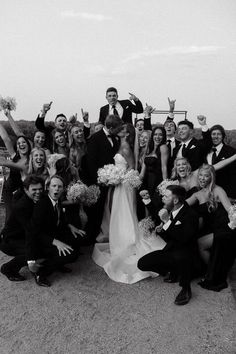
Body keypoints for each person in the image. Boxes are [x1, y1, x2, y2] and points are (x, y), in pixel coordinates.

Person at [92, 123, 166, 284]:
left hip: (124, 185)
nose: (119, 131)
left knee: (124, 212)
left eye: (123, 130)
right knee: (117, 212)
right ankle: (120, 239)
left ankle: (128, 241)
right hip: (119, 185)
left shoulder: (125, 147)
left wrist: (117, 176)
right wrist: (111, 175)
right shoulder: (122, 144)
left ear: (127, 133)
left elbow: (132, 167)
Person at [138, 185, 199, 305]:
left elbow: (184, 239)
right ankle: (174, 272)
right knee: (142, 263)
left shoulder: (191, 215)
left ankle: (186, 289)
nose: (162, 198)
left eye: (166, 196)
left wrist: (167, 222)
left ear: (175, 200)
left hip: (187, 255)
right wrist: (147, 200)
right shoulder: (172, 208)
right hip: (171, 251)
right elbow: (158, 214)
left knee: (182, 256)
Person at [186, 164, 236, 291]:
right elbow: (183, 205)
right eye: (201, 175)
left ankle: (214, 275)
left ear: (211, 177)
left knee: (201, 243)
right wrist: (166, 206)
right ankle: (215, 273)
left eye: (206, 175)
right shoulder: (198, 194)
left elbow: (230, 210)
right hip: (214, 228)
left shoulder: (218, 190)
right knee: (198, 242)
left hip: (225, 228)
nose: (202, 178)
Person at [26, 175, 80, 287]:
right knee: (70, 255)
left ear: (63, 189)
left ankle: (57, 264)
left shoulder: (57, 200)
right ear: (48, 188)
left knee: (77, 242)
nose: (56, 189)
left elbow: (60, 218)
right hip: (41, 242)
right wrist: (31, 260)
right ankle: (40, 273)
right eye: (54, 186)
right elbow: (33, 232)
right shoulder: (42, 204)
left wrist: (70, 226)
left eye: (59, 186)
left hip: (52, 236)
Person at [84, 115, 123, 241]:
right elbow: (91, 162)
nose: (119, 130)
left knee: (108, 209)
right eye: (118, 128)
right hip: (99, 182)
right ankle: (91, 236)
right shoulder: (95, 138)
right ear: (111, 127)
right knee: (97, 211)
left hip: (113, 181)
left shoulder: (116, 138)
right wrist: (100, 180)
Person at [0, 175, 44, 281]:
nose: (38, 192)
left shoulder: (36, 198)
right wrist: (31, 260)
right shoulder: (22, 207)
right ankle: (7, 268)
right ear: (26, 190)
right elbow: (30, 232)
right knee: (35, 250)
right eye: (34, 189)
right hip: (9, 241)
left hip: (21, 235)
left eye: (40, 189)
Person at [206, 124, 236, 199]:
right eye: (213, 134)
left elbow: (234, 176)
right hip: (206, 194)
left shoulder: (231, 152)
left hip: (225, 194)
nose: (216, 136)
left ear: (223, 136)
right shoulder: (205, 151)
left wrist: (232, 196)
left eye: (218, 134)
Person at [140, 126, 169, 197]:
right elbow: (142, 172)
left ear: (164, 136)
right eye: (155, 134)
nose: (157, 137)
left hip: (157, 181)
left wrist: (165, 185)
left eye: (160, 135)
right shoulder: (148, 148)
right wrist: (134, 181)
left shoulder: (163, 147)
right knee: (146, 203)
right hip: (146, 181)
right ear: (152, 136)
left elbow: (164, 168)